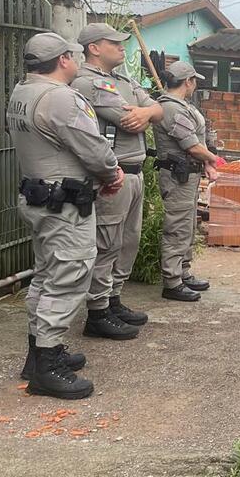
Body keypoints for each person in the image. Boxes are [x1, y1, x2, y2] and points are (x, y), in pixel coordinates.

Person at [7, 32, 124, 400]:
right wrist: (111, 173)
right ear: (62, 61)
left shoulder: (21, 93)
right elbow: (94, 149)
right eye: (72, 56)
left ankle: (40, 352)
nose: (75, 61)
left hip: (39, 198)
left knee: (44, 276)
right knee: (68, 277)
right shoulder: (60, 98)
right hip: (64, 205)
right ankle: (47, 368)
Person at [72, 23, 162, 339]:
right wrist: (146, 112)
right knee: (107, 242)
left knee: (128, 241)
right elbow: (127, 118)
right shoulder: (86, 82)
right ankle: (97, 312)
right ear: (94, 47)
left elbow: (157, 109)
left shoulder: (122, 79)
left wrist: (148, 112)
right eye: (115, 43)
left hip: (135, 171)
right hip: (113, 174)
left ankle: (113, 298)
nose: (122, 47)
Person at [152, 61, 218, 302]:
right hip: (177, 176)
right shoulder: (170, 108)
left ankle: (183, 272)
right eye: (194, 80)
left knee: (187, 224)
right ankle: (172, 280)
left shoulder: (181, 106)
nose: (195, 85)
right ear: (188, 81)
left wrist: (207, 161)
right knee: (177, 227)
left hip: (188, 174)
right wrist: (213, 160)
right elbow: (190, 144)